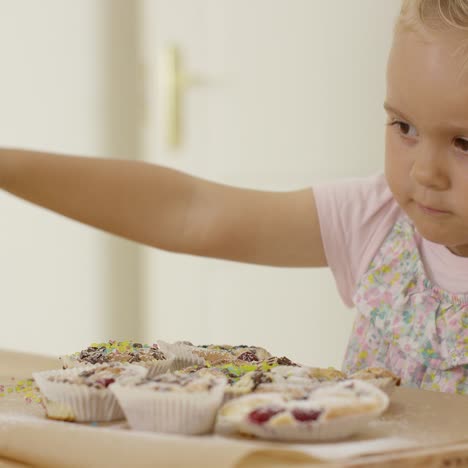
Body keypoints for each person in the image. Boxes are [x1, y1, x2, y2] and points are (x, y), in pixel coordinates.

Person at [0, 0, 467, 395]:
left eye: (463, 143)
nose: (424, 172)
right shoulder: (377, 221)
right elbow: (190, 212)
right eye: (403, 127)